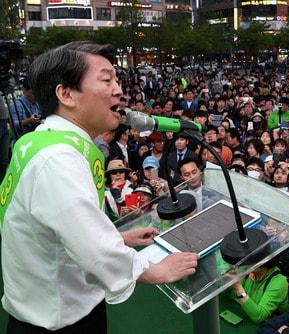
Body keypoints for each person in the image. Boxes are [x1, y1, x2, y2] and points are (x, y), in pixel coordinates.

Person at [0, 42, 198, 333]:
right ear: (66, 94)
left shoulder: (41, 139)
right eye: (106, 80)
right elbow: (97, 253)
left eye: (116, 80)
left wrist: (118, 237)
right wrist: (157, 269)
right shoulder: (58, 159)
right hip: (58, 323)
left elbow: (56, 226)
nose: (118, 90)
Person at [231, 257, 289, 324]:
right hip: (247, 318)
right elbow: (234, 297)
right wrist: (229, 285)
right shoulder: (250, 272)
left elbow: (259, 317)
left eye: (251, 260)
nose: (246, 262)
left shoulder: (279, 282)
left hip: (271, 326)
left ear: (264, 262)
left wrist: (238, 287)